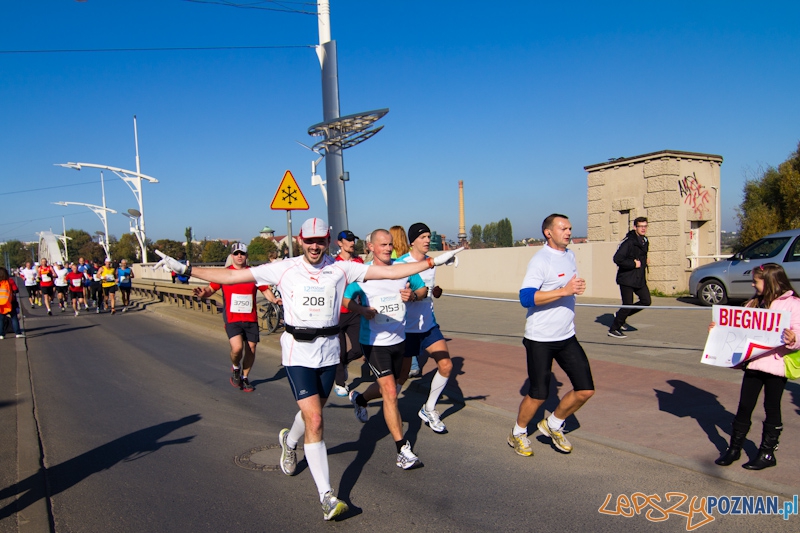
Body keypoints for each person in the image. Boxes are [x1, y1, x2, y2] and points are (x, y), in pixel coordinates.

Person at [154, 217, 461, 521]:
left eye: (320, 240)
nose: (315, 246)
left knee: (311, 414)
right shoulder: (283, 268)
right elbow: (235, 277)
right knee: (315, 418)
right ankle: (328, 496)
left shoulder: (342, 267)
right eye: (309, 240)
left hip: (328, 353)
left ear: (327, 241)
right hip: (297, 352)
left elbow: (392, 270)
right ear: (300, 240)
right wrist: (186, 269)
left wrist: (434, 262)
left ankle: (289, 442)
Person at [508, 213, 595, 457]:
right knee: (538, 395)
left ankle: (554, 424)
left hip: (566, 335)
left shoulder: (570, 255)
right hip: (540, 339)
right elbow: (526, 298)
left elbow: (568, 288)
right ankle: (517, 433)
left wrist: (573, 289)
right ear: (549, 232)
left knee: (585, 389)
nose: (568, 232)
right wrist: (564, 290)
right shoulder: (540, 260)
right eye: (563, 228)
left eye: (570, 228)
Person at [343, 229, 427, 469]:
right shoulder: (361, 275)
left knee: (395, 383)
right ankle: (402, 450)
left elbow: (423, 289)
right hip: (374, 343)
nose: (388, 248)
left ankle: (360, 399)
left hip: (399, 339)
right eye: (382, 245)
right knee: (390, 392)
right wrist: (361, 310)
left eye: (390, 244)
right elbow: (345, 300)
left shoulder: (402, 269)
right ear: (370, 247)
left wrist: (413, 295)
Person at [712, 263, 800, 470]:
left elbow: (798, 333)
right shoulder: (753, 303)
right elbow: (737, 330)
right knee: (744, 405)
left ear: (770, 282)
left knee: (771, 406)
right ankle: (734, 449)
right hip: (754, 363)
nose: (753, 284)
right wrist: (718, 329)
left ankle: (767, 453)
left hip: (776, 365)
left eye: (755, 281)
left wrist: (793, 339)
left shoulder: (793, 304)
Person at [394, 222, 454, 433]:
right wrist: (409, 296)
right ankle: (390, 408)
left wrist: (434, 291)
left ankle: (429, 408)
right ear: (412, 241)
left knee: (446, 365)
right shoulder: (400, 264)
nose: (428, 240)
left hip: (428, 325)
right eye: (423, 237)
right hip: (406, 329)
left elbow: (427, 291)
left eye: (429, 236)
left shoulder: (432, 262)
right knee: (402, 376)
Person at [193, 243, 273, 393]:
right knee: (237, 348)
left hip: (251, 319)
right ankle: (236, 368)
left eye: (242, 253)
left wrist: (275, 300)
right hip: (232, 318)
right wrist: (203, 294)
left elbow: (265, 290)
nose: (239, 256)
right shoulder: (225, 274)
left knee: (251, 349)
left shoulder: (253, 274)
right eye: (236, 254)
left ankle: (244, 377)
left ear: (246, 256)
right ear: (232, 256)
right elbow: (210, 289)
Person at [333, 230, 364, 397]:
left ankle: (343, 363)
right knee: (339, 349)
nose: (352, 243)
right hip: (337, 314)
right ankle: (340, 383)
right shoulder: (333, 264)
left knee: (359, 348)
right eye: (348, 240)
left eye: (353, 240)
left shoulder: (359, 262)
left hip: (354, 312)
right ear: (340, 243)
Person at [608, 217, 650, 338]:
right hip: (626, 278)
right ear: (634, 227)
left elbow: (640, 255)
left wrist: (645, 261)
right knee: (627, 304)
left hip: (639, 278)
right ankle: (614, 329)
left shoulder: (645, 240)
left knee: (646, 301)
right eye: (641, 226)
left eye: (645, 226)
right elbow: (617, 259)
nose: (643, 228)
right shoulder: (629, 242)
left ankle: (621, 316)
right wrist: (633, 264)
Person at [0, 267, 24, 339]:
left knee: (1, 319)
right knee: (14, 318)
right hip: (11, 302)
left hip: (1, 303)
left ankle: (1, 334)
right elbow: (16, 290)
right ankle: (17, 333)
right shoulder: (10, 281)